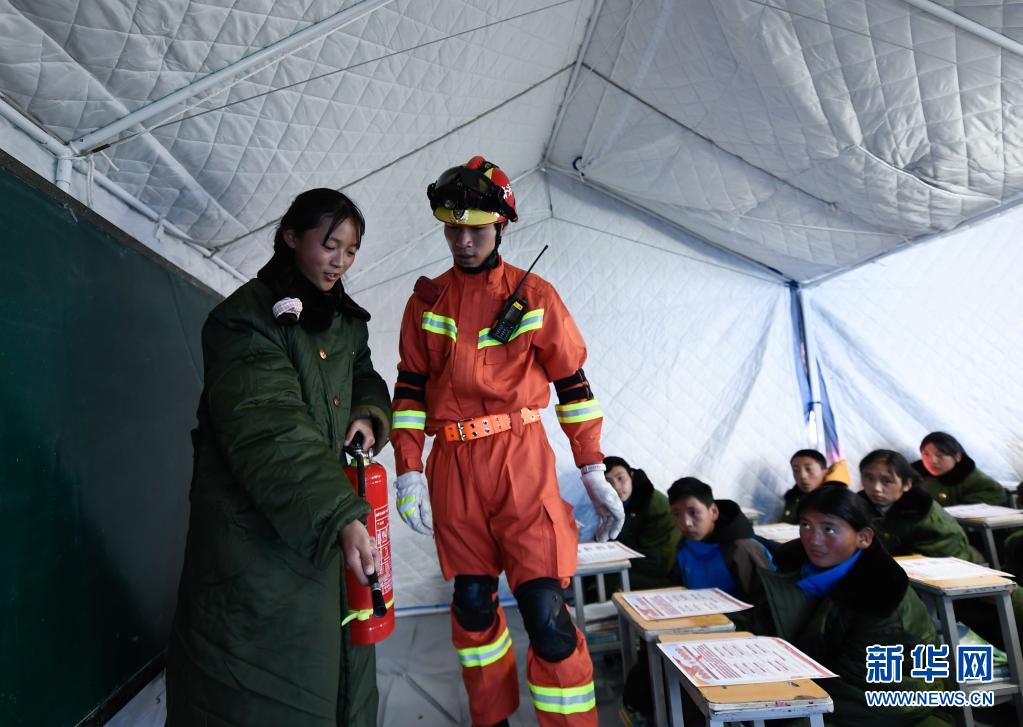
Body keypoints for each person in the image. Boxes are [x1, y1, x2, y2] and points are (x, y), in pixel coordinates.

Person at [389, 156, 624, 727]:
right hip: (453, 466)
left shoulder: (535, 295)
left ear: (501, 225)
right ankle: (490, 719)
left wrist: (592, 466)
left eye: (476, 228)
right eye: (453, 229)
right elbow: (410, 389)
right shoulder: (426, 301)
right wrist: (409, 469)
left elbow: (574, 385)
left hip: (520, 460)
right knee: (472, 605)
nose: (463, 241)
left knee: (546, 614)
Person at [165, 189, 392, 727]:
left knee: (340, 681)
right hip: (258, 549)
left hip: (325, 524)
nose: (340, 261)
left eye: (351, 250)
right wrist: (340, 515)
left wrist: (367, 415)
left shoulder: (344, 321)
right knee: (266, 693)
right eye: (329, 245)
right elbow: (270, 429)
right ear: (291, 237)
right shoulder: (242, 321)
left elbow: (363, 373)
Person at [760, 486, 953, 727]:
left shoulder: (880, 597)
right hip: (819, 684)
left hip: (886, 699)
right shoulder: (797, 568)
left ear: (863, 538)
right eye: (806, 525)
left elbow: (856, 684)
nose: (813, 539)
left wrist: (777, 694)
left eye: (829, 529)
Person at [621, 477, 773, 723]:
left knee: (679, 675)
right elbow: (681, 589)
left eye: (694, 512)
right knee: (651, 654)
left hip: (736, 636)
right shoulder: (685, 546)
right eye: (677, 514)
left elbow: (767, 610)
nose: (686, 522)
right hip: (699, 627)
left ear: (713, 511)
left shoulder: (741, 548)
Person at [858, 449, 978, 562]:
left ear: (907, 484)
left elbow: (936, 561)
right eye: (869, 478)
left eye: (887, 481)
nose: (876, 488)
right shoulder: (857, 505)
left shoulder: (926, 517)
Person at [603, 456, 680, 590]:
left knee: (607, 580)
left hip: (663, 573)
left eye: (620, 478)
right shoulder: (616, 503)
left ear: (631, 475)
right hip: (640, 564)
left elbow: (657, 561)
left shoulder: (655, 506)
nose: (616, 487)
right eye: (608, 482)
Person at [913, 431, 1005, 506]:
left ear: (957, 457)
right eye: (926, 454)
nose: (932, 461)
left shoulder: (981, 484)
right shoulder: (913, 477)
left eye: (939, 455)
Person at [780, 450, 850, 523]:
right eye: (796, 470)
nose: (802, 476)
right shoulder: (792, 497)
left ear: (825, 472)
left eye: (809, 469)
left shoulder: (838, 500)